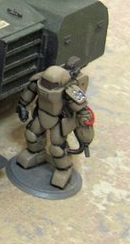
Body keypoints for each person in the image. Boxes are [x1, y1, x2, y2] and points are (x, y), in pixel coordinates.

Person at [15, 58, 96, 188]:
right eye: (45, 82)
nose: (46, 86)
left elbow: (83, 113)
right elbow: (29, 92)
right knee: (31, 135)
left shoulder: (70, 90)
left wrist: (85, 137)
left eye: (50, 84)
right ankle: (36, 153)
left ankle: (64, 169)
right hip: (41, 113)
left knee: (57, 148)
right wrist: (22, 105)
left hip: (59, 120)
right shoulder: (38, 80)